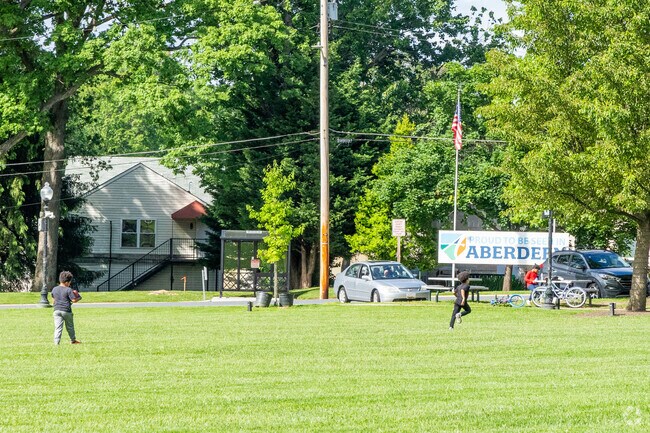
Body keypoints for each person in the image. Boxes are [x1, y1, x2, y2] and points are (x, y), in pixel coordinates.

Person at [51, 270, 82, 345]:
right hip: (66, 311)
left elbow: (53, 301)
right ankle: (73, 340)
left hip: (56, 310)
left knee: (58, 327)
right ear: (67, 282)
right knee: (70, 327)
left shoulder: (54, 289)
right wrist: (79, 297)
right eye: (70, 282)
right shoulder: (68, 289)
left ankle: (56, 342)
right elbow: (73, 300)